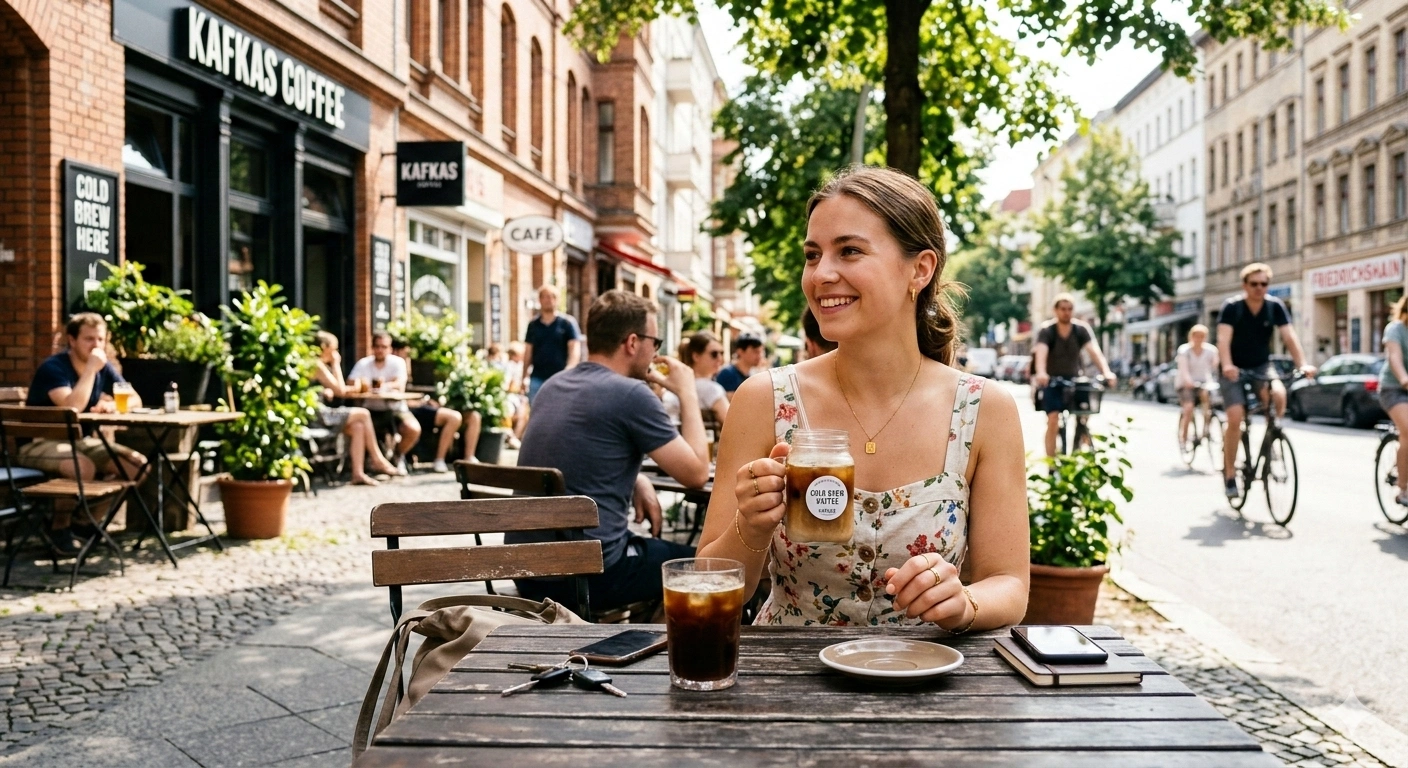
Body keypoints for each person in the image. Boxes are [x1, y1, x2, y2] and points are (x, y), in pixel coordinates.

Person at [696, 165, 1030, 630]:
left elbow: (1009, 583)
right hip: (788, 682)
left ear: (920, 268)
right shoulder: (764, 399)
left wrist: (964, 604)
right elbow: (710, 586)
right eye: (813, 256)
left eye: (849, 251)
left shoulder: (983, 409)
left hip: (922, 679)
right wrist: (749, 526)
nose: (821, 274)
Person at [507, 290, 710, 612]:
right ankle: (659, 654)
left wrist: (636, 478)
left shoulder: (553, 385)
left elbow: (576, 454)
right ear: (632, 342)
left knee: (659, 556)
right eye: (654, 343)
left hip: (529, 571)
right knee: (711, 569)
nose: (654, 352)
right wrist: (687, 390)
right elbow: (697, 474)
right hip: (592, 575)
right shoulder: (631, 394)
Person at [20, 313, 147, 554]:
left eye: (100, 339)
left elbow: (135, 398)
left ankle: (84, 523)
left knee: (137, 466)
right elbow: (71, 408)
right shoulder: (54, 367)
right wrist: (90, 370)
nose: (96, 346)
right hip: (39, 443)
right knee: (82, 467)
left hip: (79, 442)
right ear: (72, 340)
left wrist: (112, 405)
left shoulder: (103, 368)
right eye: (89, 339)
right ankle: (59, 528)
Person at [1217, 263, 1315, 498]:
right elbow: (1222, 339)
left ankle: (1272, 438)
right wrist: (1228, 365)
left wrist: (1302, 364)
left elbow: (1289, 336)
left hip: (1261, 365)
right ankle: (1230, 474)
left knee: (1279, 395)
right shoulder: (1232, 307)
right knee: (1235, 417)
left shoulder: (1275, 307)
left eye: (1264, 284)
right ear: (1245, 285)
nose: (1259, 288)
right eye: (1254, 284)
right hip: (1234, 368)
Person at [1031, 294, 1117, 457]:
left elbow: (1094, 351)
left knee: (1084, 414)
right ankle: (1051, 463)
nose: (1066, 312)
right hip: (1052, 381)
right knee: (1053, 419)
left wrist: (1106, 372)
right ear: (1055, 310)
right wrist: (1041, 372)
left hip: (1074, 379)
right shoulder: (1047, 330)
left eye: (1070, 309)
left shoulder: (1081, 329)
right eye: (1063, 309)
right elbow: (1041, 352)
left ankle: (1081, 446)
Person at [311, 332, 402, 485]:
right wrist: (335, 364)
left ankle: (358, 474)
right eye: (334, 349)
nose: (335, 354)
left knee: (358, 426)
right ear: (324, 348)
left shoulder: (315, 365)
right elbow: (340, 391)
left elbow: (337, 389)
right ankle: (378, 459)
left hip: (319, 412)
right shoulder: (317, 364)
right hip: (317, 416)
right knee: (363, 414)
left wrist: (326, 390)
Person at [391, 340, 467, 472]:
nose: (409, 356)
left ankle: (440, 459)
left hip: (418, 405)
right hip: (406, 409)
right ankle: (403, 456)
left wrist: (427, 400)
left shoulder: (406, 365)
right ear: (396, 351)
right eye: (406, 353)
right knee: (453, 417)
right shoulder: (393, 366)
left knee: (454, 417)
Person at [348, 332, 420, 471]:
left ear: (390, 348)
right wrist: (364, 386)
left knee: (413, 429)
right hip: (371, 409)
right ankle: (367, 463)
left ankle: (397, 455)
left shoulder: (397, 362)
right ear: (372, 347)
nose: (380, 350)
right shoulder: (364, 363)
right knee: (358, 426)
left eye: (384, 346)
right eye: (377, 346)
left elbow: (399, 384)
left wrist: (383, 386)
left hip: (395, 409)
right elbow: (351, 382)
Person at [522, 285, 582, 403]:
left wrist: (569, 371)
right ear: (539, 300)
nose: (548, 300)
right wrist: (524, 377)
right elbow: (528, 352)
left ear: (556, 300)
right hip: (537, 378)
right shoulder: (533, 325)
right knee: (537, 414)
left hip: (560, 378)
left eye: (551, 297)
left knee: (559, 413)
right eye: (544, 297)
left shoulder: (567, 323)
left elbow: (574, 350)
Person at [661, 332, 730, 427]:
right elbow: (732, 424)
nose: (720, 358)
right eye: (714, 354)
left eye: (721, 353)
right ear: (696, 356)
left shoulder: (675, 384)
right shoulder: (712, 389)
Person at [1378, 295, 1408, 505]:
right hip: (1394, 389)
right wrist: (1404, 378)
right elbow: (1394, 357)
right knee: (1407, 431)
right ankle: (1403, 489)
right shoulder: (1395, 329)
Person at [1175, 325, 1220, 448]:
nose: (1199, 339)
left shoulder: (1211, 350)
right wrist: (1189, 381)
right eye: (1196, 336)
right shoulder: (1184, 350)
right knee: (1188, 407)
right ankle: (1183, 437)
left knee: (1208, 406)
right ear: (1191, 336)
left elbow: (1216, 366)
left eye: (1202, 336)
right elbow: (1183, 370)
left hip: (1204, 383)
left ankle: (1206, 430)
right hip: (1186, 384)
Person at [715, 333, 764, 399]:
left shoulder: (754, 374)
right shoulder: (727, 374)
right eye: (755, 352)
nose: (759, 356)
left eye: (761, 352)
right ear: (740, 351)